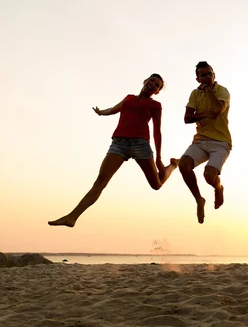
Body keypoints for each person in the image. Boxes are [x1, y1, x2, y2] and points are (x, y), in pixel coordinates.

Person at [48, 74, 179, 227]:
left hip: (140, 145)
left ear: (157, 91)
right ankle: (72, 217)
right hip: (119, 144)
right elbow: (113, 109)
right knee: (100, 182)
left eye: (157, 85)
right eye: (151, 80)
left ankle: (173, 166)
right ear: (145, 81)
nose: (153, 84)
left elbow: (157, 132)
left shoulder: (155, 106)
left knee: (156, 185)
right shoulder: (129, 98)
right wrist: (100, 112)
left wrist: (158, 158)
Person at [179, 61, 232, 224]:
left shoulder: (222, 91)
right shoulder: (195, 94)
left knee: (209, 176)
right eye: (203, 75)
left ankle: (218, 187)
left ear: (214, 75)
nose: (207, 76)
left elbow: (217, 110)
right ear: (198, 79)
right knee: (183, 165)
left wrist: (208, 91)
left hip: (221, 142)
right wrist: (205, 115)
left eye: (209, 73)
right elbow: (187, 118)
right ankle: (199, 200)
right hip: (200, 141)